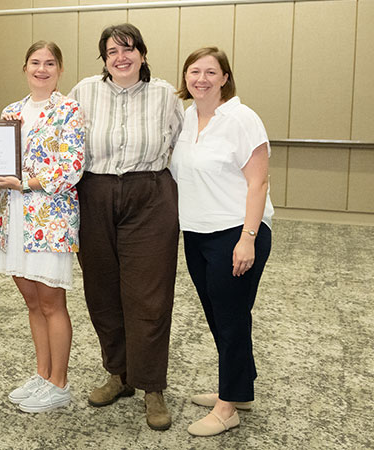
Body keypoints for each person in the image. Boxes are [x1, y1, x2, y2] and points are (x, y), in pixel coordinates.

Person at [68, 23, 183, 431]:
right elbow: (57, 137)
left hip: (149, 195)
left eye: (128, 49)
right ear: (104, 59)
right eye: (112, 51)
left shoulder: (165, 95)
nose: (121, 57)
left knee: (149, 296)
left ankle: (151, 386)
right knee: (102, 290)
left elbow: (182, 143)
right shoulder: (82, 92)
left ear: (143, 54)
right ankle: (119, 374)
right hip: (95, 193)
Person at [170, 47, 273, 436]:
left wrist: (247, 239)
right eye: (194, 71)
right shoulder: (187, 117)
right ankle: (239, 388)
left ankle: (228, 407)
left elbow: (258, 182)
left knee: (230, 319)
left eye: (211, 72)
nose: (201, 79)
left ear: (225, 78)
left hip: (236, 232)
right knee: (220, 315)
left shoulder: (242, 119)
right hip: (197, 233)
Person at [0, 41, 84, 413]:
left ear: (60, 70)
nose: (41, 69)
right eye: (35, 62)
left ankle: (59, 383)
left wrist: (25, 183)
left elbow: (72, 167)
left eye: (49, 63)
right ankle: (43, 374)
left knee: (51, 303)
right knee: (32, 302)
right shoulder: (11, 111)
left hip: (50, 219)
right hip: (14, 217)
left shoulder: (69, 110)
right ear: (25, 68)